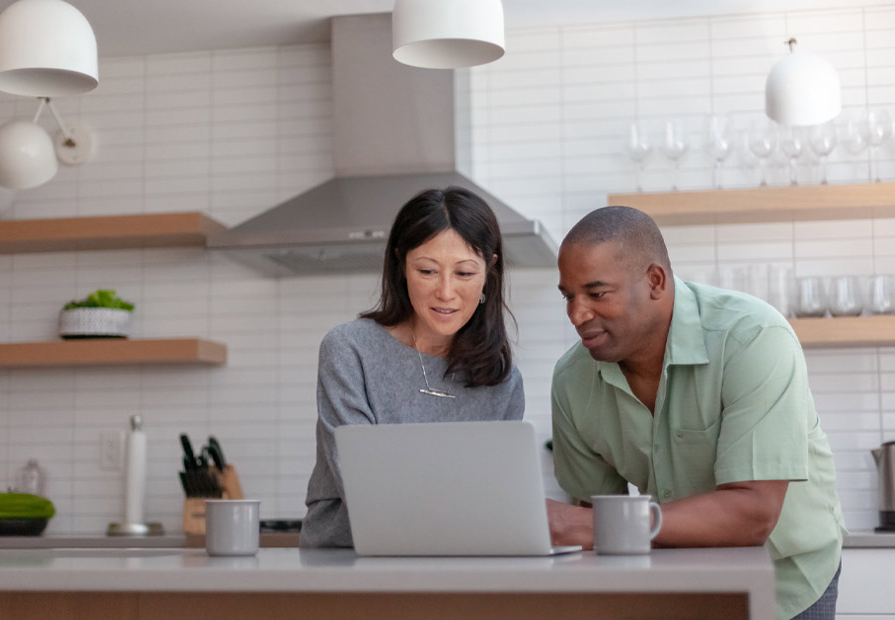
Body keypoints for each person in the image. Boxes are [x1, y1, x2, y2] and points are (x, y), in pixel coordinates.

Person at [547, 206, 845, 620]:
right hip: (678, 586)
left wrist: (588, 526)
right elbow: (596, 517)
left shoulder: (753, 337)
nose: (576, 315)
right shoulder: (571, 380)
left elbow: (754, 513)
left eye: (597, 294)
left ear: (655, 281)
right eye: (569, 296)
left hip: (787, 581)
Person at [299, 186, 525, 547]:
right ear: (401, 265)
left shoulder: (502, 381)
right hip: (345, 564)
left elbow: (497, 499)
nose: (446, 292)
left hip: (460, 563)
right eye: (427, 270)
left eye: (464, 273)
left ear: (489, 271)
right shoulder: (349, 350)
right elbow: (362, 485)